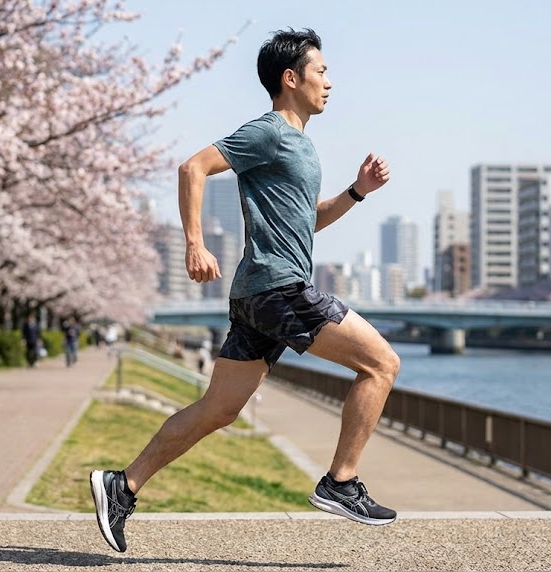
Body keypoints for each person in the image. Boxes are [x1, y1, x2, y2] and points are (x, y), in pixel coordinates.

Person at [89, 28, 398, 553]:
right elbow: (194, 167)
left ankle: (123, 485)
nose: (330, 82)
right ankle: (340, 482)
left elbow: (309, 222)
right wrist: (194, 243)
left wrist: (356, 193)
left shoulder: (300, 145)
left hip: (258, 296)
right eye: (321, 71)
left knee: (218, 409)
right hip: (280, 290)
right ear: (291, 78)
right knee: (381, 365)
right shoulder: (270, 132)